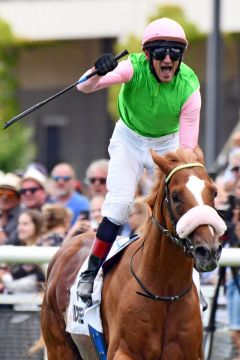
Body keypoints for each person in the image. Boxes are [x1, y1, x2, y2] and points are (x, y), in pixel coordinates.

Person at [76, 17, 201, 302]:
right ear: (147, 55)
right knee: (119, 205)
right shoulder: (133, 67)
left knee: (184, 201)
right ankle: (90, 272)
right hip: (129, 138)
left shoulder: (190, 88)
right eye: (160, 53)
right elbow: (83, 87)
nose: (168, 59)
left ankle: (193, 278)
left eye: (175, 53)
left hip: (168, 142)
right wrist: (97, 70)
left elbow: (186, 151)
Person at [0, 209, 45, 310]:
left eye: (25, 224)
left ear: (37, 226)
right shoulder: (18, 248)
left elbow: (19, 279)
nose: (20, 228)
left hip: (35, 313)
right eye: (19, 224)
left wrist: (4, 275)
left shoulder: (41, 251)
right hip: (17, 309)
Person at [0, 173, 22, 245]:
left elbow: (9, 244)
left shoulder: (22, 216)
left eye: (10, 194)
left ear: (18, 199)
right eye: (0, 193)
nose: (4, 197)